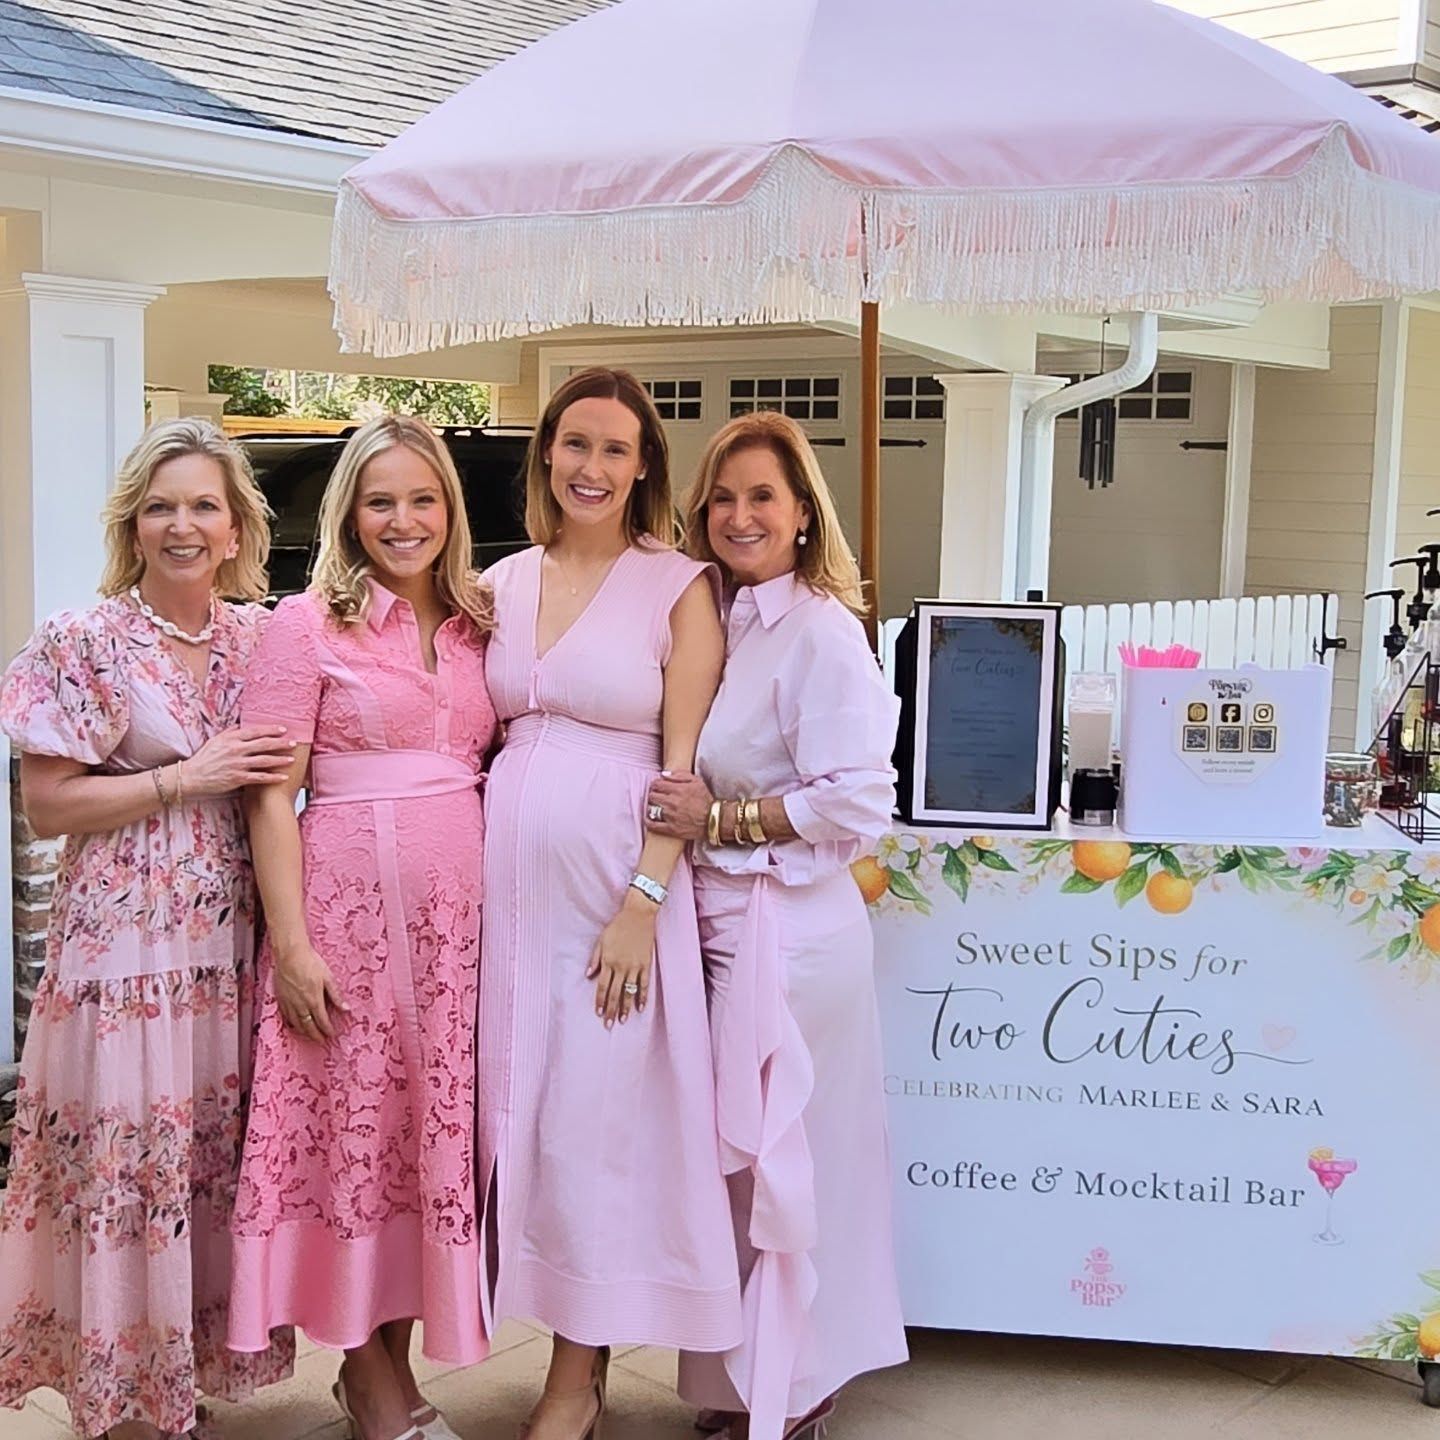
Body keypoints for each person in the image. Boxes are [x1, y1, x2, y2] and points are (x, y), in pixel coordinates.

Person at [0, 418, 297, 1440]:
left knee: (201, 1158)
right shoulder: (83, 639)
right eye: (161, 506)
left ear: (235, 526)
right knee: (128, 1160)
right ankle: (120, 1393)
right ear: (133, 524)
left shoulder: (263, 639)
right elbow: (48, 806)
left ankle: (180, 1376)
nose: (182, 524)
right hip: (121, 949)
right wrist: (184, 777)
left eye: (203, 505)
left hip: (222, 946)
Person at [480, 366, 742, 1440]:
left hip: (611, 903)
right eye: (575, 443)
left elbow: (683, 777)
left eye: (615, 450)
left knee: (593, 1127)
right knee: (522, 1121)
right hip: (504, 905)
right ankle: (535, 1329)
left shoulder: (678, 586)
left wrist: (642, 902)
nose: (592, 467)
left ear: (644, 469)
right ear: (547, 453)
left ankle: (574, 1378)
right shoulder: (498, 581)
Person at [226, 416, 495, 1440]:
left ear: (450, 511)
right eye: (380, 501)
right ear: (348, 513)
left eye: (422, 499)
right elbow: (269, 796)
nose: (403, 520)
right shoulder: (306, 626)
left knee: (420, 1146)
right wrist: (291, 946)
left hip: (453, 944)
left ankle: (393, 1368)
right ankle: (372, 1380)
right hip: (343, 931)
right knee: (352, 1141)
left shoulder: (477, 621)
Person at [647, 411, 908, 1440]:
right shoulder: (716, 616)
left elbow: (857, 801)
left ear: (804, 513)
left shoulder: (823, 631)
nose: (739, 514)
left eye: (762, 496)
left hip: (792, 930)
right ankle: (732, 1384)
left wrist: (720, 819)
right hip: (715, 923)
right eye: (722, 497)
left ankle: (799, 1381)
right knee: (730, 1168)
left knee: (788, 1157)